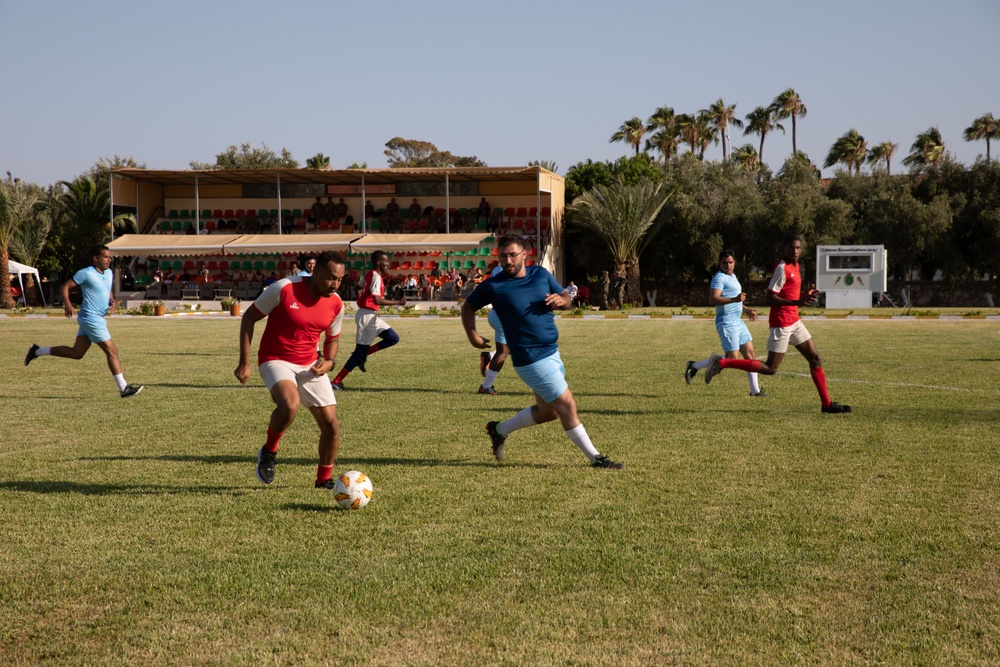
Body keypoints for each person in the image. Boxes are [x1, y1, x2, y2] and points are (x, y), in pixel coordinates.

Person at [462, 234, 623, 469]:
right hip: (530, 358)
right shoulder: (493, 285)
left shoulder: (540, 274)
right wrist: (472, 334)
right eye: (503, 256)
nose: (507, 260)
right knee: (567, 405)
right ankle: (596, 458)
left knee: (549, 412)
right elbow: (468, 306)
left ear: (525, 254)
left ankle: (499, 429)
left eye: (513, 255)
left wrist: (562, 300)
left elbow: (567, 298)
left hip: (552, 352)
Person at [703, 234, 852, 414]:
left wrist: (806, 295)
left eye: (798, 248)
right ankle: (722, 363)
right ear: (785, 249)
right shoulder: (781, 268)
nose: (795, 251)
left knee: (815, 359)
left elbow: (790, 294)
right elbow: (770, 296)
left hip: (795, 321)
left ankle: (826, 405)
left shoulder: (796, 266)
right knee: (771, 368)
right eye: (791, 248)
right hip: (781, 323)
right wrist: (796, 303)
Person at [235, 251, 347, 488]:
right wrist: (245, 362)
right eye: (330, 278)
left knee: (331, 426)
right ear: (315, 271)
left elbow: (332, 339)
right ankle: (269, 452)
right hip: (276, 359)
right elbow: (248, 319)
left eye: (339, 280)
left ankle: (323, 480)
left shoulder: (336, 303)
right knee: (289, 404)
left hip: (310, 364)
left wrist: (329, 361)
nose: (334, 285)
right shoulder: (283, 288)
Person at [24, 245, 143, 398]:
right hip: (90, 318)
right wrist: (67, 303)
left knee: (77, 353)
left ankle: (37, 351)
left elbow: (106, 289)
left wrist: (111, 300)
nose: (109, 259)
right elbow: (65, 286)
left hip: (96, 318)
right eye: (106, 257)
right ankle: (123, 388)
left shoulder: (109, 273)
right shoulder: (86, 273)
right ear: (96, 258)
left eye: (110, 257)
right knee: (112, 351)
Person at [685, 250, 765, 397]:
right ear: (720, 263)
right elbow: (713, 299)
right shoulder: (719, 278)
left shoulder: (733, 277)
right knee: (732, 357)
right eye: (725, 262)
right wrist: (735, 299)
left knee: (750, 354)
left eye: (731, 262)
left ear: (734, 263)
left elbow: (736, 300)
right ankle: (695, 365)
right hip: (726, 322)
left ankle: (755, 391)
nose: (728, 265)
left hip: (738, 321)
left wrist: (746, 309)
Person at [330, 250, 406, 390]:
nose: (388, 264)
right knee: (359, 353)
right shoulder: (376, 277)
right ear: (378, 262)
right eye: (386, 261)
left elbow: (358, 286)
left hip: (370, 315)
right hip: (367, 316)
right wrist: (397, 302)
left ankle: (363, 355)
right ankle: (335, 382)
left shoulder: (370, 274)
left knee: (393, 338)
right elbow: (377, 299)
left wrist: (362, 296)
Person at [476, 265, 510, 396]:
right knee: (504, 351)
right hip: (503, 314)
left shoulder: (498, 269)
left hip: (501, 314)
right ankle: (486, 386)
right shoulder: (506, 269)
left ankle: (489, 356)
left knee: (518, 344)